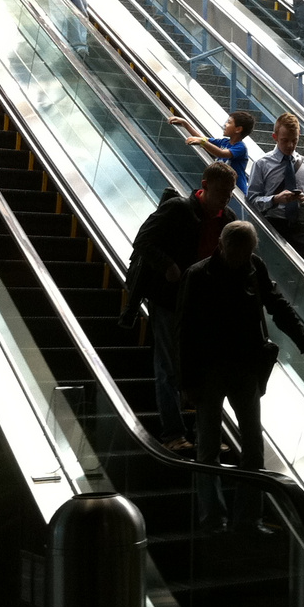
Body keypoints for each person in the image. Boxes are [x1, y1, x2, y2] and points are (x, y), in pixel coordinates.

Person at [178, 221, 304, 534]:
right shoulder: (198, 275)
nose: (241, 259)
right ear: (222, 246)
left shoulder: (253, 267)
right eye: (237, 252)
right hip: (210, 370)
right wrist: (187, 383)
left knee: (252, 444)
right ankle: (214, 519)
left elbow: (278, 306)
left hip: (245, 366)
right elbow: (185, 334)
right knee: (208, 446)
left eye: (247, 253)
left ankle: (248, 518)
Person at [123, 163, 239, 450]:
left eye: (230, 194)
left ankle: (205, 434)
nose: (225, 199)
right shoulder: (178, 209)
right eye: (221, 192)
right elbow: (143, 241)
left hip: (204, 303)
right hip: (168, 299)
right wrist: (168, 266)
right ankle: (173, 434)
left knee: (204, 368)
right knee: (168, 366)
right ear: (205, 186)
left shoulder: (228, 219)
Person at [247, 112, 304, 268]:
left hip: (300, 227)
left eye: (294, 140)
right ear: (275, 137)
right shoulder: (262, 164)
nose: (290, 145)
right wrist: (275, 199)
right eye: (284, 141)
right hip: (272, 225)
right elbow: (251, 200)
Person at [169, 110, 254, 193]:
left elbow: (221, 153)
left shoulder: (240, 147)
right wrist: (185, 123)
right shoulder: (224, 142)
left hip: (236, 190)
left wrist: (202, 142)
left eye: (229, 122)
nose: (225, 125)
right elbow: (202, 138)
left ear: (238, 129)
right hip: (222, 187)